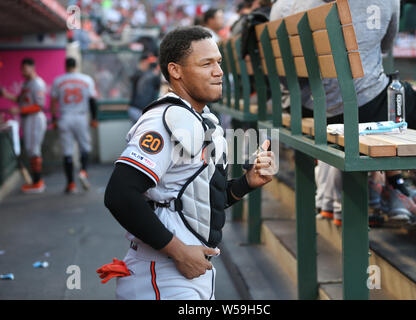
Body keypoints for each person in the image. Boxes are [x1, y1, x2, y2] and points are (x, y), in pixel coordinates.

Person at [100, 26, 276, 300]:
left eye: (218, 62)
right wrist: (179, 252)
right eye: (206, 64)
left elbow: (199, 199)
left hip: (184, 271)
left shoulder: (202, 118)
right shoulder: (163, 120)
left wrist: (245, 184)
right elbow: (119, 195)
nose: (218, 71)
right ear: (176, 71)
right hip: (163, 273)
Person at [271, 0, 416, 226]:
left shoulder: (285, 5)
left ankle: (393, 187)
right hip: (359, 103)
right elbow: (385, 46)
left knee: (388, 100)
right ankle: (393, 188)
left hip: (306, 104)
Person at [50, 57, 98, 193]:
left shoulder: (58, 81)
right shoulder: (86, 79)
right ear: (76, 65)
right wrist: (94, 118)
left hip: (65, 117)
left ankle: (70, 184)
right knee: (85, 147)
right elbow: (92, 101)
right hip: (81, 117)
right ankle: (83, 171)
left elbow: (53, 102)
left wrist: (54, 119)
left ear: (65, 66)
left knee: (67, 151)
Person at [1, 58, 47, 193]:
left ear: (32, 68)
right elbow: (20, 100)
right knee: (31, 149)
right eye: (22, 69)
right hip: (28, 119)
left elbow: (39, 106)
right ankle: (36, 181)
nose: (23, 71)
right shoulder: (26, 84)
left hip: (35, 119)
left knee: (34, 150)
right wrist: (6, 95)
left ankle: (38, 182)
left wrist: (20, 110)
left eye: (25, 69)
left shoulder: (37, 83)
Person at [128, 54, 161, 124]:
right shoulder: (141, 74)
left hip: (136, 109)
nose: (148, 65)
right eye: (147, 63)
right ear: (142, 62)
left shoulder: (148, 75)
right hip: (138, 109)